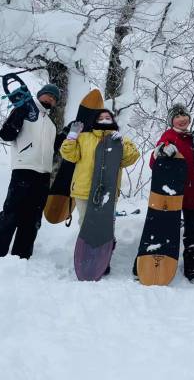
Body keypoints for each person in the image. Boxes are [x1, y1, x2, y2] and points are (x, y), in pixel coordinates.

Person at [60, 109, 140, 272]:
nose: (104, 120)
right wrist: (72, 136)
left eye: (107, 117)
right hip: (84, 190)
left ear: (113, 120)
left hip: (108, 192)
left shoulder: (119, 139)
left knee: (105, 226)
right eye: (101, 117)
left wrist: (121, 145)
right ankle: (87, 256)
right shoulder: (84, 138)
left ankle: (103, 259)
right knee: (86, 225)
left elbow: (131, 158)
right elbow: (69, 155)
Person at [0, 84, 60, 259]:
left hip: (43, 176)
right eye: (47, 95)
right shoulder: (25, 111)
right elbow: (6, 134)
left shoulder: (51, 124)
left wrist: (66, 134)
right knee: (11, 214)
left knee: (33, 220)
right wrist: (19, 111)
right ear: (40, 95)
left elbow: (52, 148)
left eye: (53, 98)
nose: (50, 99)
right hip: (24, 170)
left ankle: (22, 257)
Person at [149, 103, 194, 283]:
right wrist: (160, 152)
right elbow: (154, 164)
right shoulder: (169, 136)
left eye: (184, 116)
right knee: (166, 230)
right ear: (172, 120)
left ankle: (193, 268)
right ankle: (158, 264)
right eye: (178, 116)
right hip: (173, 195)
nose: (182, 119)